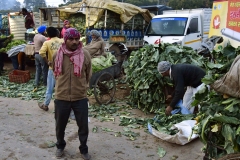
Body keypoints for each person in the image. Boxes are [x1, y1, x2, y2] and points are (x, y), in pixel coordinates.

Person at [52, 28, 92, 159]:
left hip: (80, 96)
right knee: (60, 125)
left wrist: (82, 87)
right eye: (71, 39)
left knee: (83, 126)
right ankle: (60, 146)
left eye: (77, 39)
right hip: (61, 95)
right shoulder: (57, 54)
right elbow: (55, 72)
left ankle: (84, 149)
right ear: (65, 39)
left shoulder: (85, 54)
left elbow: (88, 74)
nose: (75, 42)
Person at [38, 27, 63, 111]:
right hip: (62, 68)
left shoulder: (47, 42)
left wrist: (47, 61)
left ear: (48, 34)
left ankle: (45, 104)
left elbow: (41, 52)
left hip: (52, 68)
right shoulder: (62, 41)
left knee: (50, 88)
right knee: (61, 87)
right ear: (57, 33)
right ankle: (62, 105)